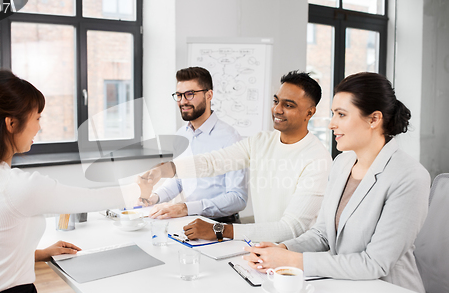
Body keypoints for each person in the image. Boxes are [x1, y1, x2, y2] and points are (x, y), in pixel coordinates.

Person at [0, 70, 145, 293]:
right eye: (38, 118)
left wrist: (40, 254)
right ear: (11, 123)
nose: (39, 128)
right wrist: (140, 189)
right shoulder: (16, 186)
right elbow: (89, 199)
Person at [243, 72, 430, 293]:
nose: (331, 124)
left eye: (341, 115)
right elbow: (322, 234)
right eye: (333, 114)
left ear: (374, 119)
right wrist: (281, 249)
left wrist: (291, 260)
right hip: (341, 287)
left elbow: (374, 263)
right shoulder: (342, 163)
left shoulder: (409, 177)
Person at [139, 71, 332, 243]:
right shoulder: (260, 141)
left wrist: (219, 230)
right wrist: (166, 170)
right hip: (263, 245)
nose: (277, 110)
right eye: (276, 101)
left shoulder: (317, 158)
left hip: (296, 257)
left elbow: (291, 228)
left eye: (288, 105)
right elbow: (212, 162)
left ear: (310, 112)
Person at [143, 67, 248, 223]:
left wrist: (187, 208)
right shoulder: (181, 135)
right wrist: (154, 198)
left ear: (209, 95)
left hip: (221, 225)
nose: (183, 101)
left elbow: (238, 198)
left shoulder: (230, 138)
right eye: (179, 95)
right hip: (189, 221)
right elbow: (179, 180)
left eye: (190, 94)